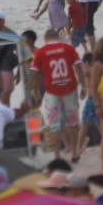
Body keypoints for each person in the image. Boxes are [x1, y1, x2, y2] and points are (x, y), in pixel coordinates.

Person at [30, 28, 82, 160]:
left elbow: (34, 73)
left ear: (45, 39)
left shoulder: (41, 52)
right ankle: (74, 152)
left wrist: (35, 90)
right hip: (70, 89)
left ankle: (57, 155)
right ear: (58, 37)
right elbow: (78, 67)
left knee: (54, 124)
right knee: (72, 122)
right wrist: (83, 85)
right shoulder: (69, 48)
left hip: (52, 91)